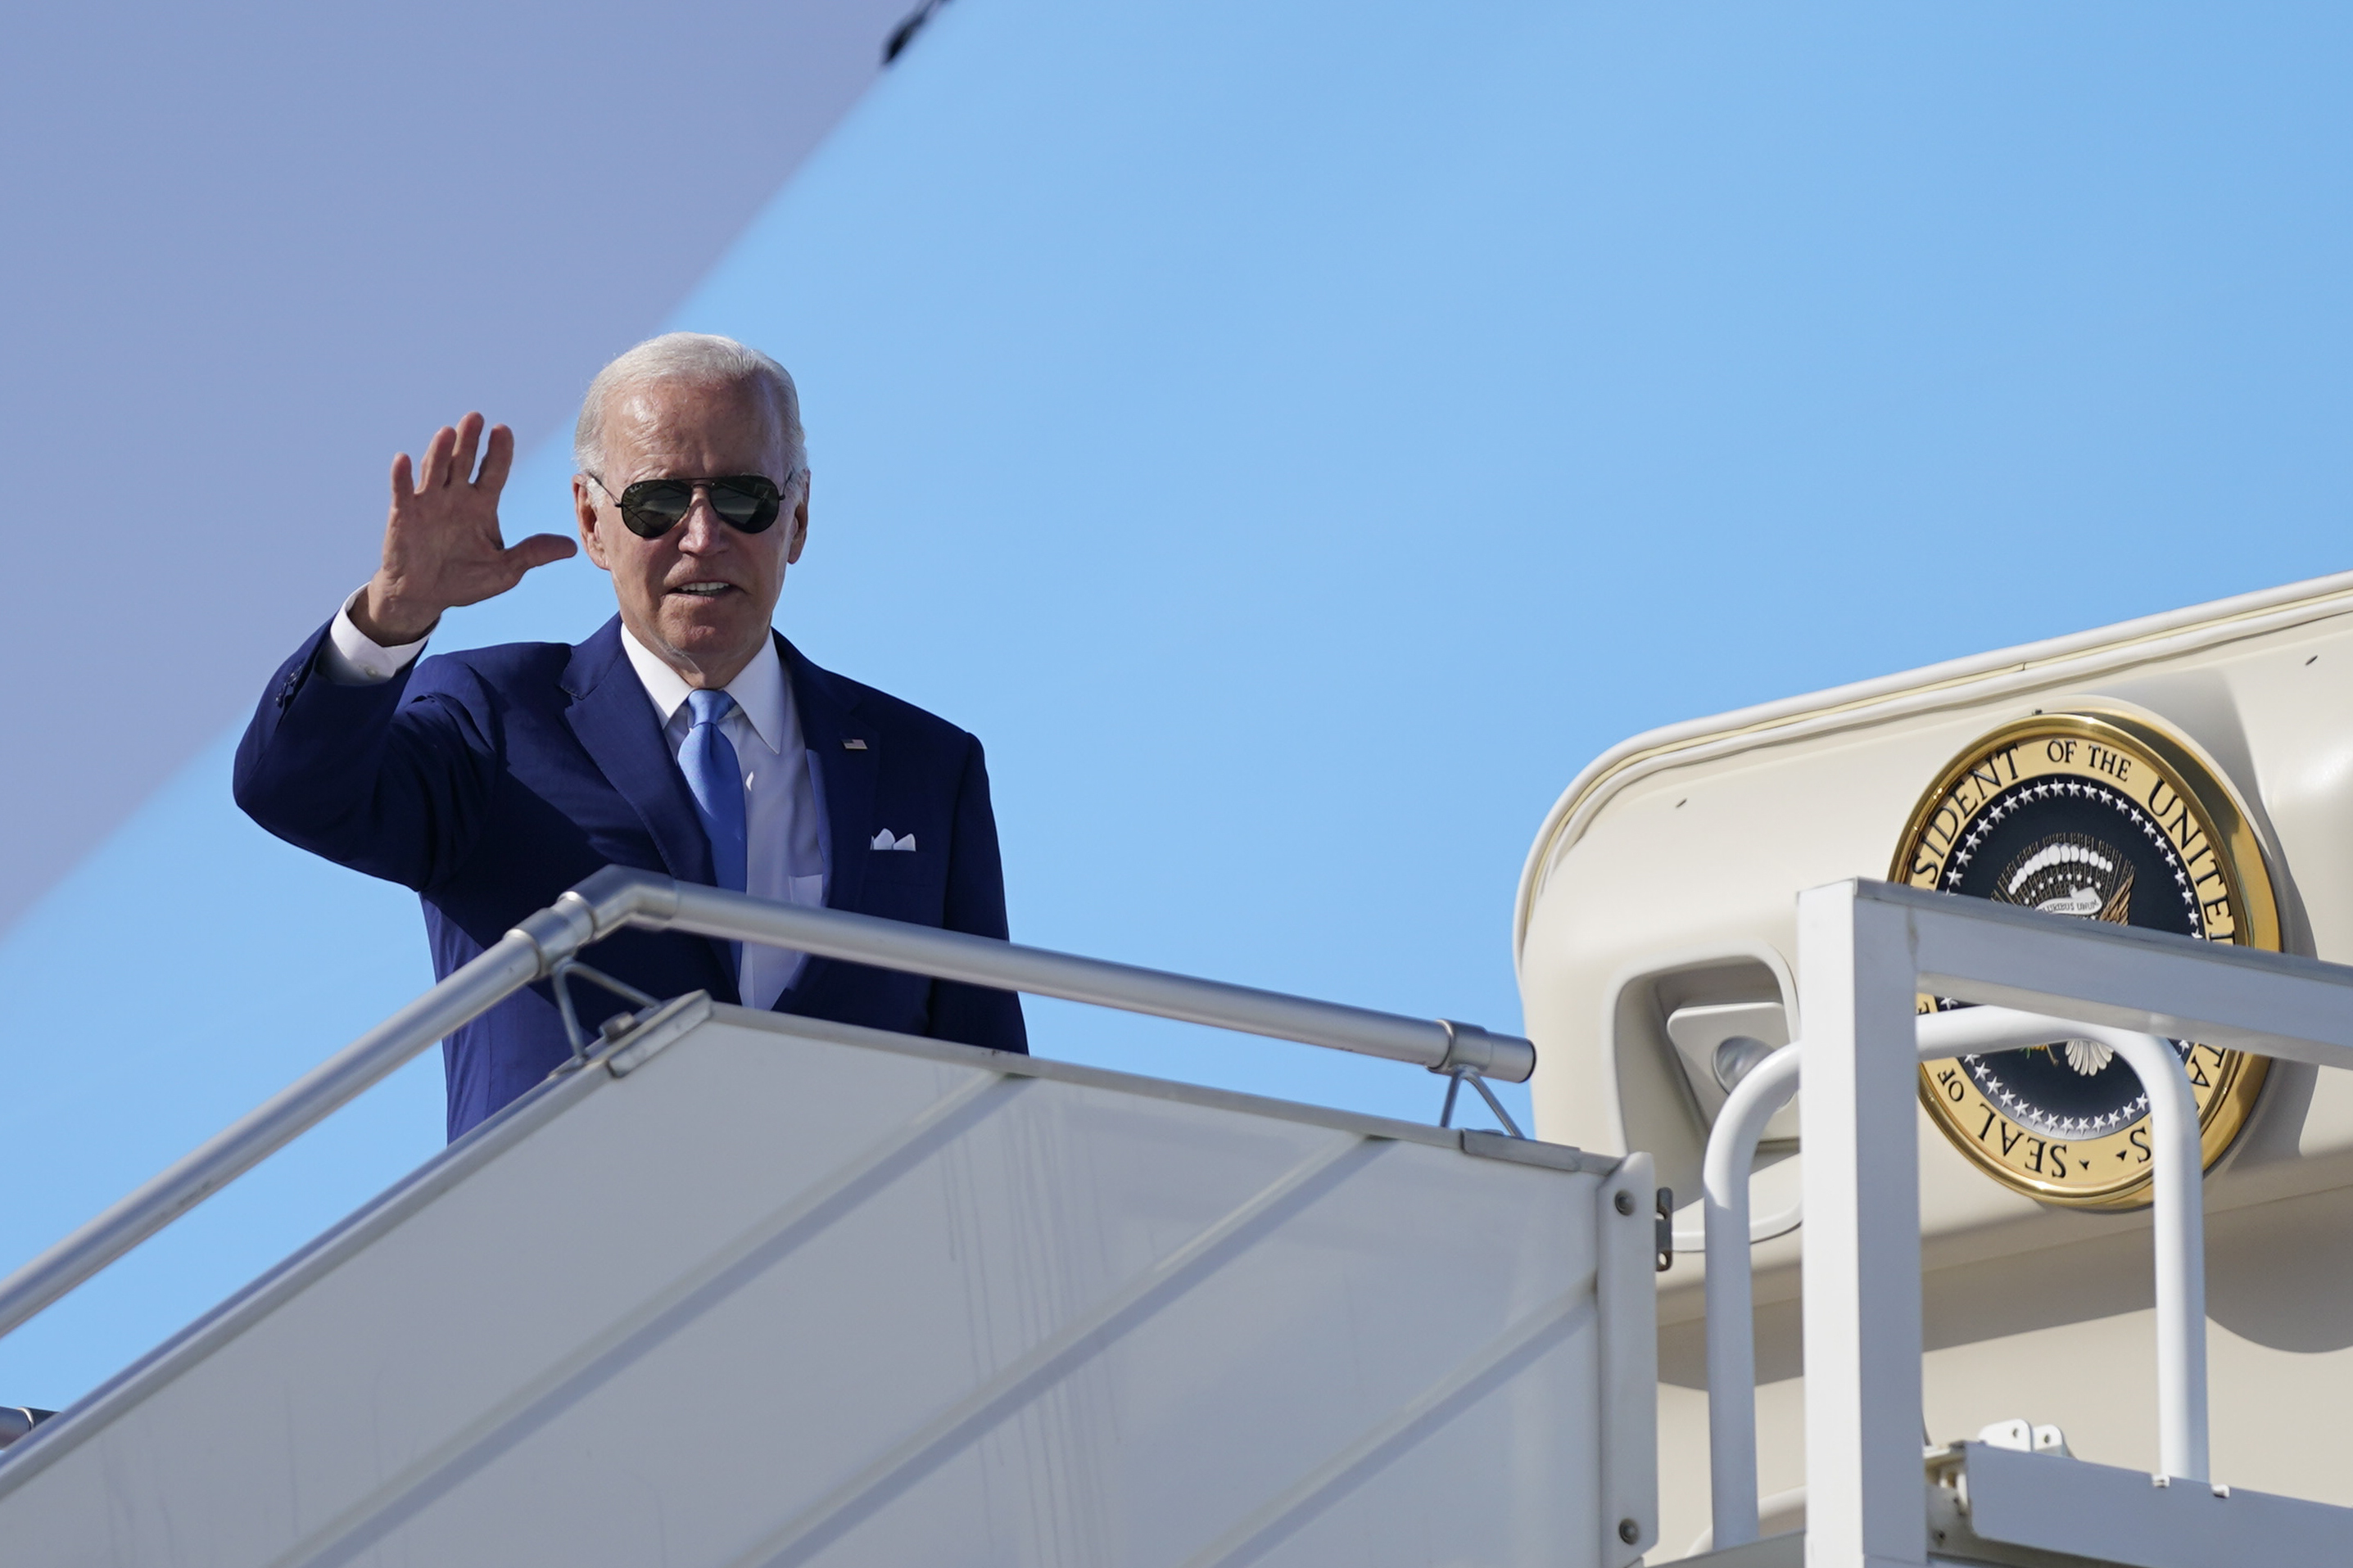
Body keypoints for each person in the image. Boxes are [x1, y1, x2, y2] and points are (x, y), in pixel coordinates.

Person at [236, 333, 1026, 1139]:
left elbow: (989, 1073)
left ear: (797, 518)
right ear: (592, 520)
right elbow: (293, 791)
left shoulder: (925, 766)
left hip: (849, 1245)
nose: (701, 536)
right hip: (577, 1249)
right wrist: (392, 617)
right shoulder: (493, 721)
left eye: (743, 498)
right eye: (656, 503)